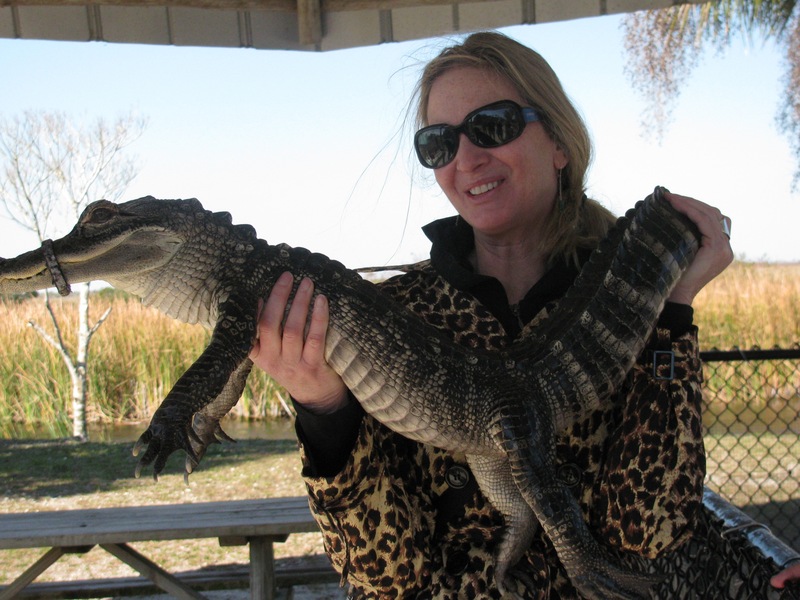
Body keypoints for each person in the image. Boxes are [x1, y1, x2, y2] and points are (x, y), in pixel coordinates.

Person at [249, 31, 733, 598]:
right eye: (439, 142)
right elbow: (382, 577)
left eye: (493, 125)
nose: (466, 158)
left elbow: (652, 531)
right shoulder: (392, 315)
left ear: (560, 142)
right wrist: (324, 411)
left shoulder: (627, 300)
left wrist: (671, 315)